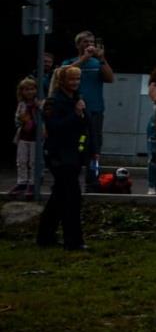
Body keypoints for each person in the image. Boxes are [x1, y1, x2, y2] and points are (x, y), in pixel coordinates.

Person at [37, 65, 89, 250]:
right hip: (59, 154)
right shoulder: (53, 102)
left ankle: (45, 236)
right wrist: (75, 115)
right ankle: (73, 241)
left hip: (74, 153)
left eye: (77, 79)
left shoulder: (77, 99)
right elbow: (54, 127)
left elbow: (85, 125)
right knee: (71, 197)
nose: (75, 83)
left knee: (59, 196)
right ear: (62, 81)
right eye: (72, 79)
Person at [64, 31, 114, 186]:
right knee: (75, 144)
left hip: (95, 110)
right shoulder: (70, 62)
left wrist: (101, 58)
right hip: (74, 110)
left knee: (95, 145)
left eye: (91, 42)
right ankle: (71, 177)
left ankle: (92, 179)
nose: (89, 45)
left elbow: (110, 78)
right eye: (85, 42)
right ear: (78, 44)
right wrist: (84, 58)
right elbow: (63, 74)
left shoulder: (97, 62)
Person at [12, 76, 42, 198]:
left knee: (34, 161)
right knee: (21, 160)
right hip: (23, 136)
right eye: (26, 89)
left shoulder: (39, 103)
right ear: (22, 91)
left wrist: (38, 107)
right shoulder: (21, 104)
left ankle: (33, 183)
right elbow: (17, 119)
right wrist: (22, 120)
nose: (29, 92)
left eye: (32, 89)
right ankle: (22, 182)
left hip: (35, 137)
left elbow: (45, 116)